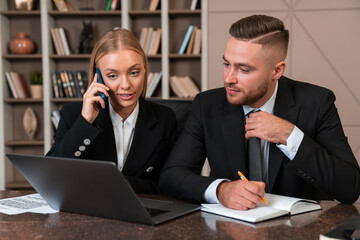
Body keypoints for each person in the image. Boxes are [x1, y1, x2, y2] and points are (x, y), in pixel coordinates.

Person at [160, 15, 360, 209]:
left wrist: (290, 136)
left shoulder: (317, 103)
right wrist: (221, 190)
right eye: (226, 64)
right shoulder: (207, 104)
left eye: (243, 69)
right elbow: (171, 175)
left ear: (277, 71)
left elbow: (349, 188)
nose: (229, 78)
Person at [47, 29, 177, 194]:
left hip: (144, 212)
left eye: (134, 72)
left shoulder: (165, 118)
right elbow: (52, 176)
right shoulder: (73, 114)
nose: (125, 85)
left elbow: (172, 182)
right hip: (87, 214)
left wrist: (122, 183)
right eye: (113, 76)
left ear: (144, 70)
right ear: (98, 77)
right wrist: (85, 122)